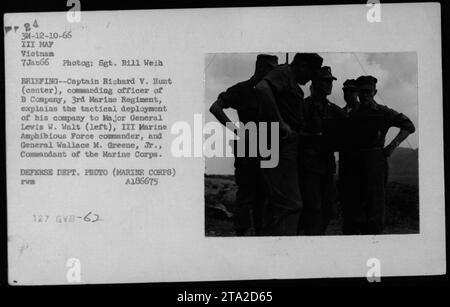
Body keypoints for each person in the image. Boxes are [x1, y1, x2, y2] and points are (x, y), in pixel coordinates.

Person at [209, 54, 278, 236]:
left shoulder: (274, 92)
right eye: (271, 69)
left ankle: (260, 238)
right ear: (260, 68)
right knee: (246, 196)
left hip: (269, 149)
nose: (273, 74)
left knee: (264, 198)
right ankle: (241, 236)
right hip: (247, 150)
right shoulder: (241, 90)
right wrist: (236, 130)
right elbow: (215, 107)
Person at [254, 53, 323, 236]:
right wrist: (280, 122)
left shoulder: (289, 77)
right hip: (277, 142)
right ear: (301, 65)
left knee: (275, 202)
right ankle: (284, 251)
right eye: (310, 74)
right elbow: (261, 88)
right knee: (291, 204)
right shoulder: (284, 72)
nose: (309, 81)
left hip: (278, 142)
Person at [341, 75, 416, 235]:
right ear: (358, 93)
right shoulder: (350, 114)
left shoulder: (384, 112)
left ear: (375, 92)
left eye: (368, 91)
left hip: (375, 164)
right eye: (362, 92)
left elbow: (409, 125)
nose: (365, 95)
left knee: (375, 208)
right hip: (353, 165)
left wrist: (391, 146)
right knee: (352, 209)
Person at [298, 66, 346, 235]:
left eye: (330, 81)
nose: (329, 84)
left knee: (328, 208)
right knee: (312, 206)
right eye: (325, 80)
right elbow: (293, 133)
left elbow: (346, 132)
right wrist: (313, 136)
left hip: (327, 165)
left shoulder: (334, 110)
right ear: (315, 82)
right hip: (308, 165)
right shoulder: (303, 107)